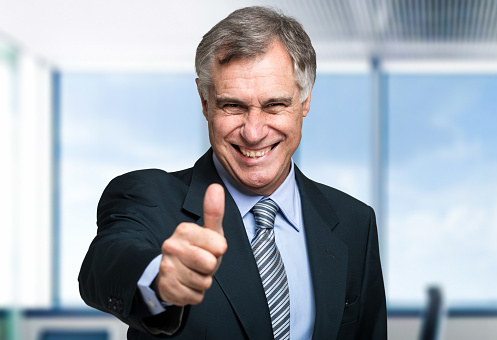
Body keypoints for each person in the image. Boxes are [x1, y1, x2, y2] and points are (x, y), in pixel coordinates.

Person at [79, 6, 387, 340]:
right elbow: (107, 261)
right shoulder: (148, 196)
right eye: (233, 106)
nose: (253, 132)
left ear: (304, 100)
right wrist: (159, 281)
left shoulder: (355, 222)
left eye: (274, 105)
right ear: (205, 101)